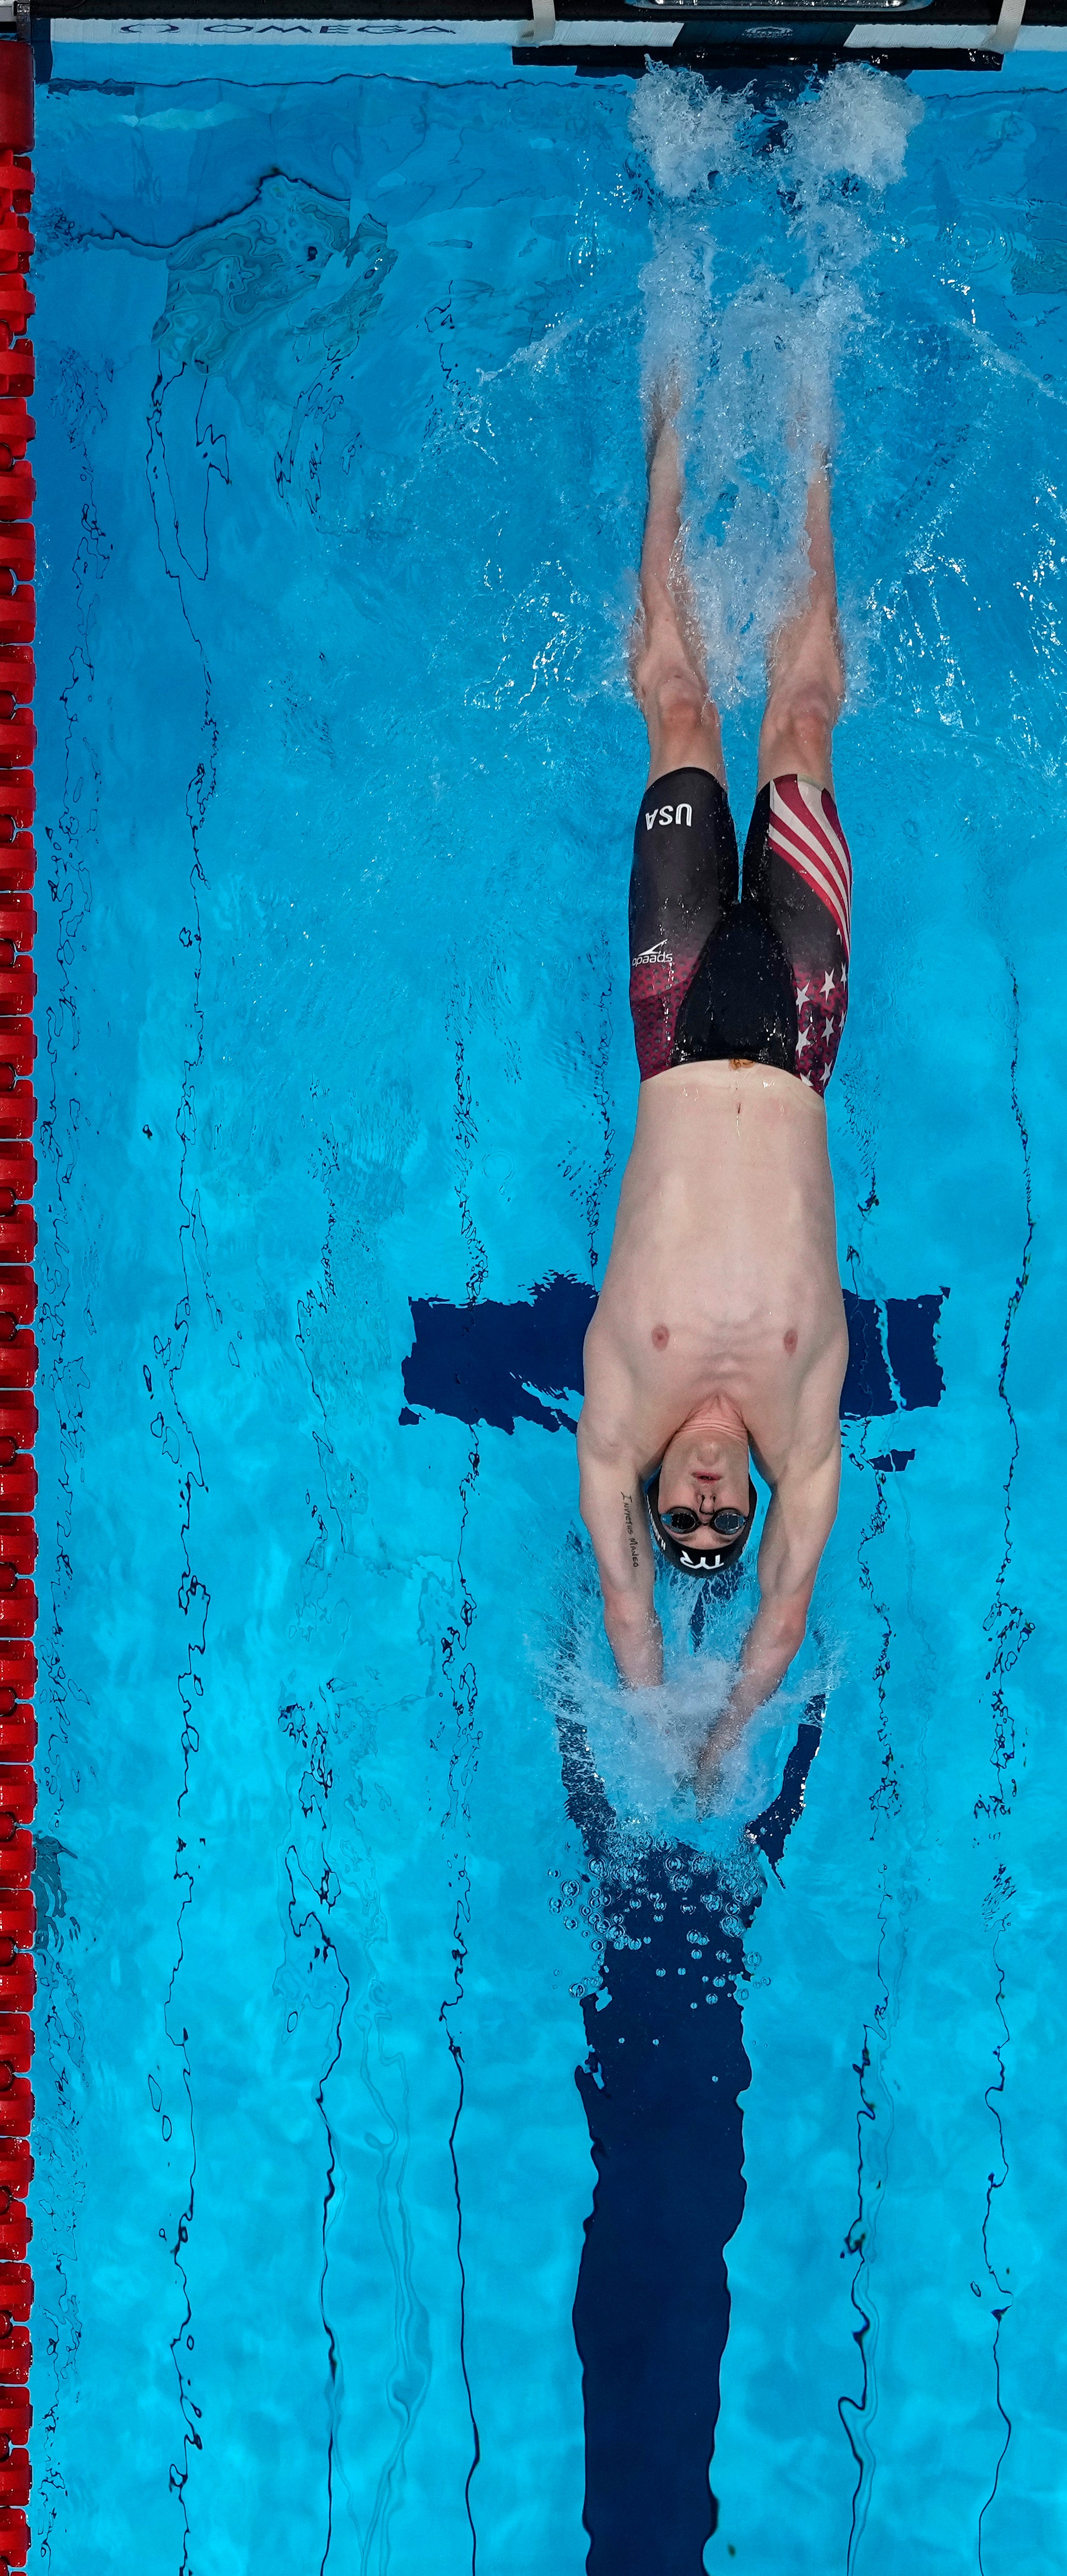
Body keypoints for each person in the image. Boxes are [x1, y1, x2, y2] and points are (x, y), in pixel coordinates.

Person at [576, 387, 852, 1799]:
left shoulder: (623, 1394)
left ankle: (673, 413)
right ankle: (810, 428)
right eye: (718, 1521)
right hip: (800, 1018)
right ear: (747, 1500)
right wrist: (736, 1727)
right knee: (798, 722)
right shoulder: (804, 1420)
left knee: (680, 710)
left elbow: (630, 1607)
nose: (702, 1500)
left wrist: (653, 1712)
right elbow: (790, 1606)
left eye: (680, 1514)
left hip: (679, 1009)